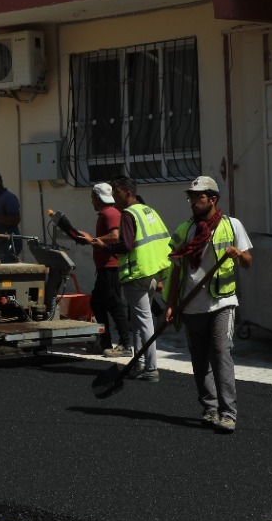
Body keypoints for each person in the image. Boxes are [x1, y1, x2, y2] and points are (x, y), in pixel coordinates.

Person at [164, 175, 253, 432]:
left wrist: (238, 254)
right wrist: (171, 304)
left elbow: (248, 262)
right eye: (191, 198)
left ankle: (228, 413)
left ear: (212, 199)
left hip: (222, 301)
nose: (193, 202)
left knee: (221, 353)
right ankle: (210, 408)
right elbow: (177, 270)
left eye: (198, 197)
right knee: (200, 359)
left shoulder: (232, 226)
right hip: (192, 305)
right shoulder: (185, 230)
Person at [97, 177, 171, 379]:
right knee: (138, 322)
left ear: (127, 193)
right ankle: (139, 364)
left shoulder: (129, 214)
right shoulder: (149, 211)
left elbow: (127, 245)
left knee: (144, 322)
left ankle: (150, 368)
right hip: (153, 272)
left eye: (116, 193)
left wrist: (105, 247)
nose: (114, 197)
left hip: (137, 274)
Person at [68, 182, 132, 357]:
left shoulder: (109, 213)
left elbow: (115, 236)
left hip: (110, 267)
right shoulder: (108, 212)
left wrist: (92, 239)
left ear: (97, 197)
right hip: (105, 268)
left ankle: (125, 345)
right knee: (97, 303)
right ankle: (104, 342)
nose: (91, 201)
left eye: (92, 197)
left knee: (115, 305)